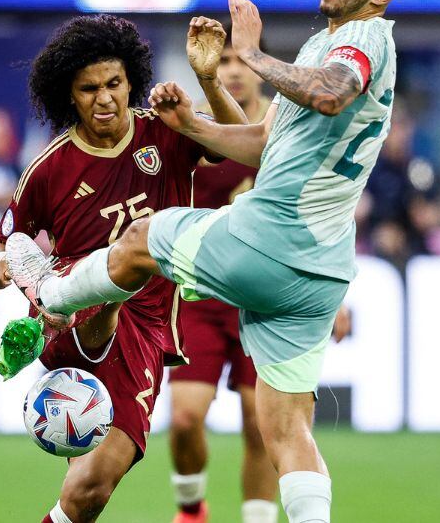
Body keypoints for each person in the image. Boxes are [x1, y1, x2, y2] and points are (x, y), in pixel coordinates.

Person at [6, 0, 412, 523]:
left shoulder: (363, 38)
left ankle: (54, 295)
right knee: (287, 428)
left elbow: (331, 94)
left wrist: (250, 53)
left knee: (141, 238)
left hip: (272, 240)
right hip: (321, 271)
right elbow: (263, 144)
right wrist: (192, 125)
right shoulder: (323, 47)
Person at [0, 14, 244, 523]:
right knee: (135, 251)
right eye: (89, 89)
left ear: (131, 83)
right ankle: (64, 297)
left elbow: (239, 140)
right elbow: (0, 244)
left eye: (114, 84)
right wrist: (1, 265)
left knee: (87, 492)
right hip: (70, 318)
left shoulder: (164, 131)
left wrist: (208, 79)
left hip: (143, 328)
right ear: (69, 95)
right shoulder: (50, 168)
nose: (104, 98)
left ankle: (83, 296)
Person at [166, 31, 279, 523]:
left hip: (265, 299)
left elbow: (319, 209)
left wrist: (335, 295)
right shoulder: (194, 126)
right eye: (224, 59)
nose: (232, 69)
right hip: (200, 294)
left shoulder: (286, 124)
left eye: (241, 60)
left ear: (260, 66)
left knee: (261, 424)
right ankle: (192, 508)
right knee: (184, 418)